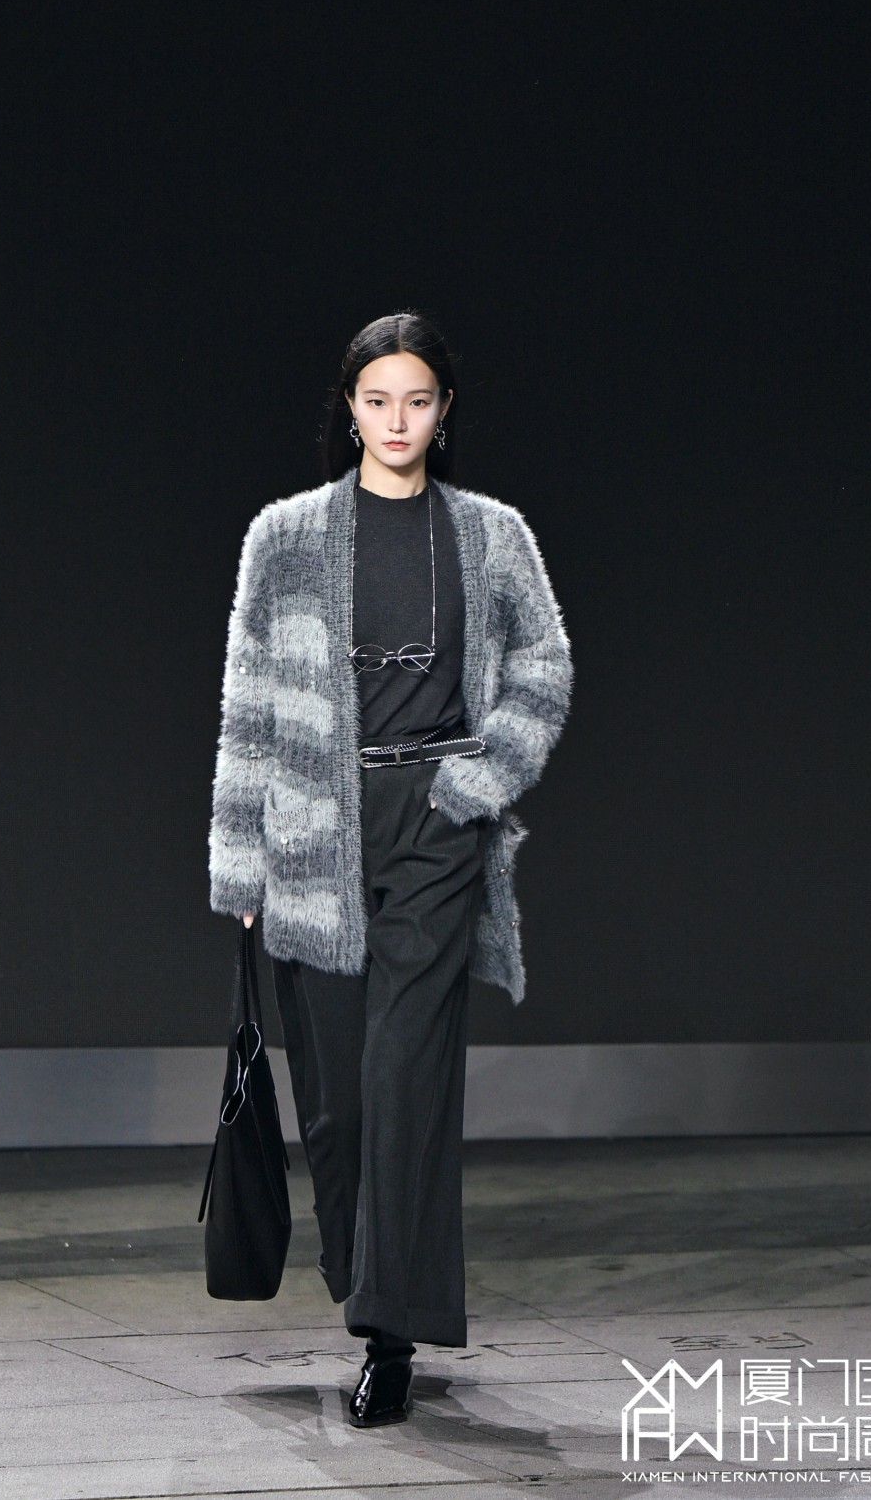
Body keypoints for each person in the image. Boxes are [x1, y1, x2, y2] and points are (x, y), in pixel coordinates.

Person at [207, 310, 573, 1427]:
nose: (397, 421)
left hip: (435, 822)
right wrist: (240, 863)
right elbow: (249, 707)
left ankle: (390, 1334)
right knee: (337, 1106)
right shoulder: (285, 537)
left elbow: (545, 665)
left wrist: (478, 782)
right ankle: (365, 1278)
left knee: (406, 1078)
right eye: (378, 401)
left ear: (444, 410)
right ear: (352, 409)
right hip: (313, 829)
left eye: (417, 400)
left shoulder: (492, 536)